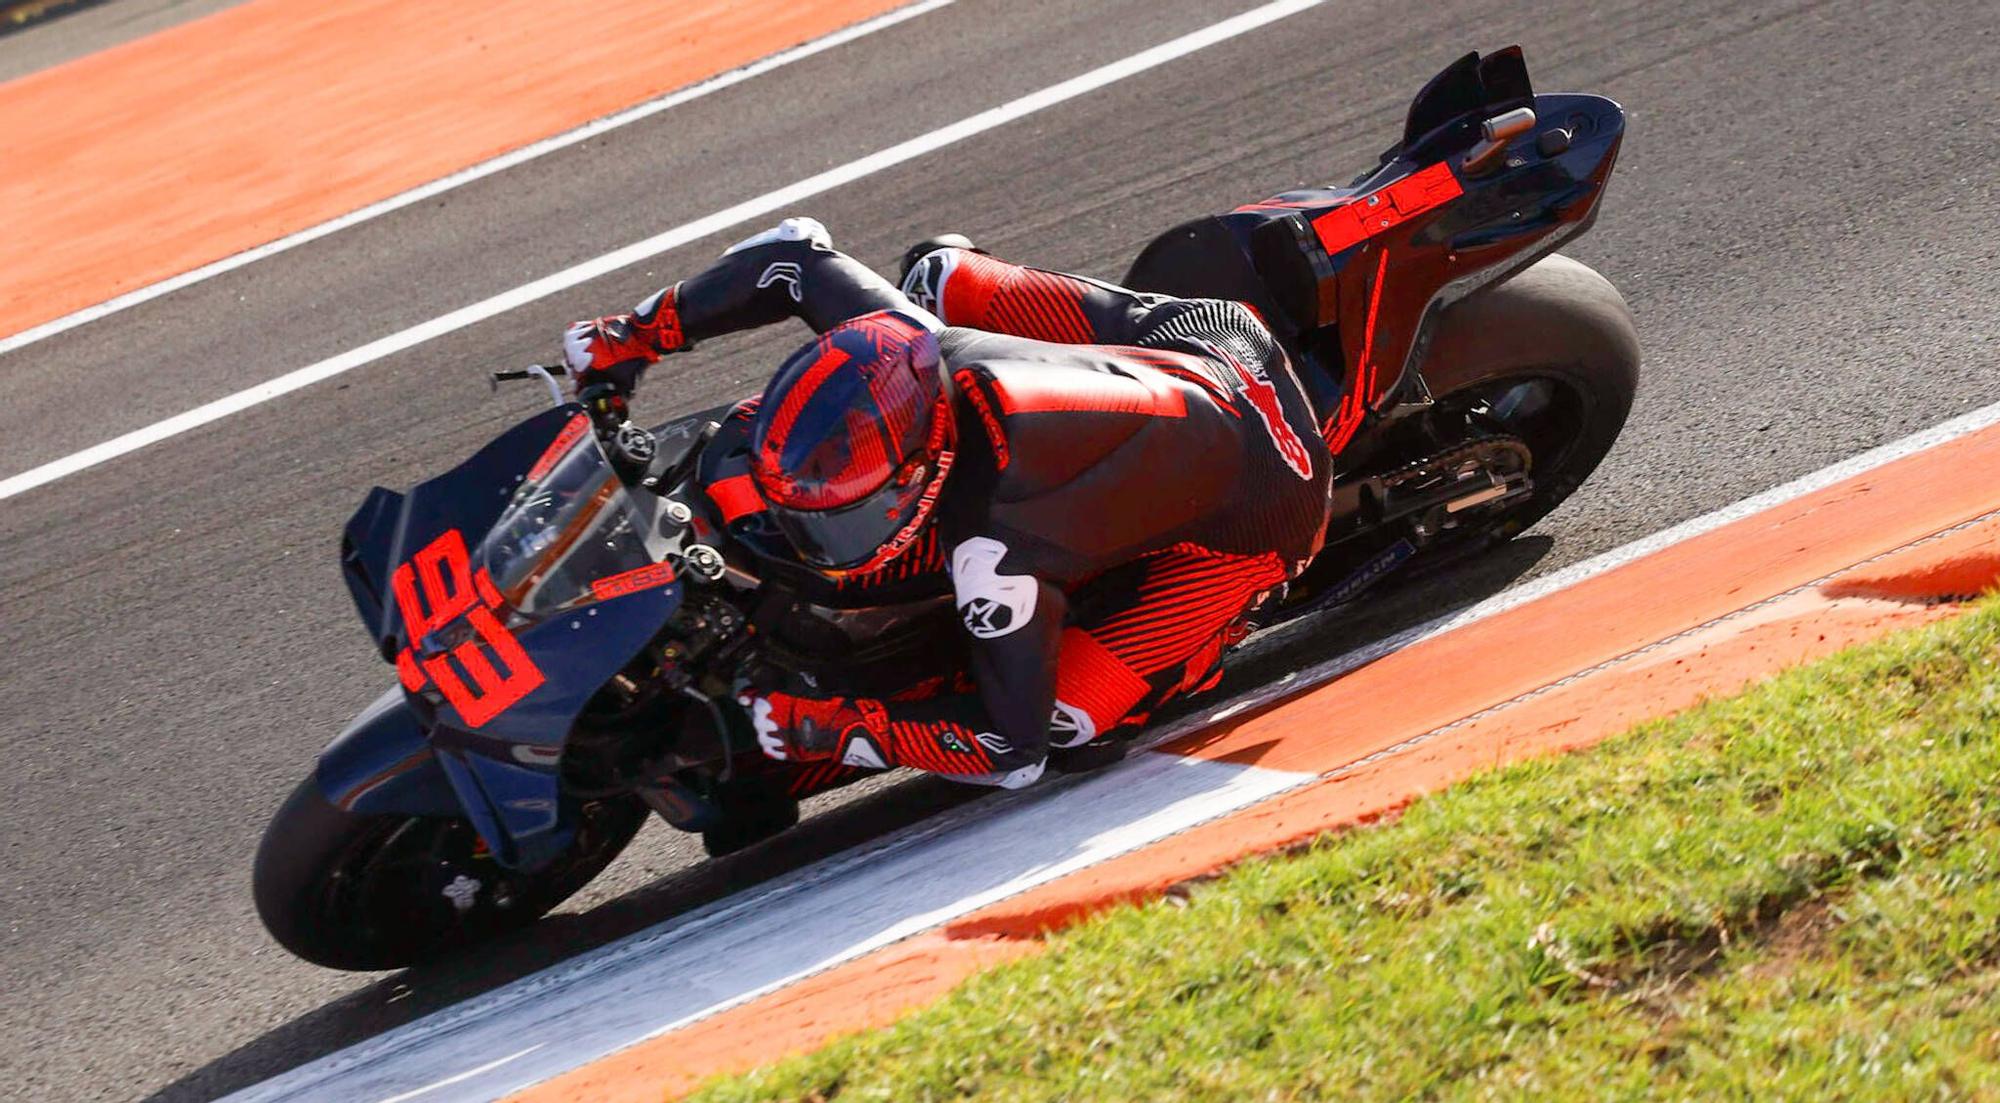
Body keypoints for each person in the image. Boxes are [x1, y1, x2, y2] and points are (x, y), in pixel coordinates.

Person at [563, 218, 1331, 789]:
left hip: (1267, 503)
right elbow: (792, 256)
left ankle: (1206, 632)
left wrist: (827, 725)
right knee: (933, 272)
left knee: (1073, 722)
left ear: (925, 469)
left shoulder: (998, 545)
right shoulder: (904, 339)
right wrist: (631, 336)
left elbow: (1011, 750)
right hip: (1211, 343)